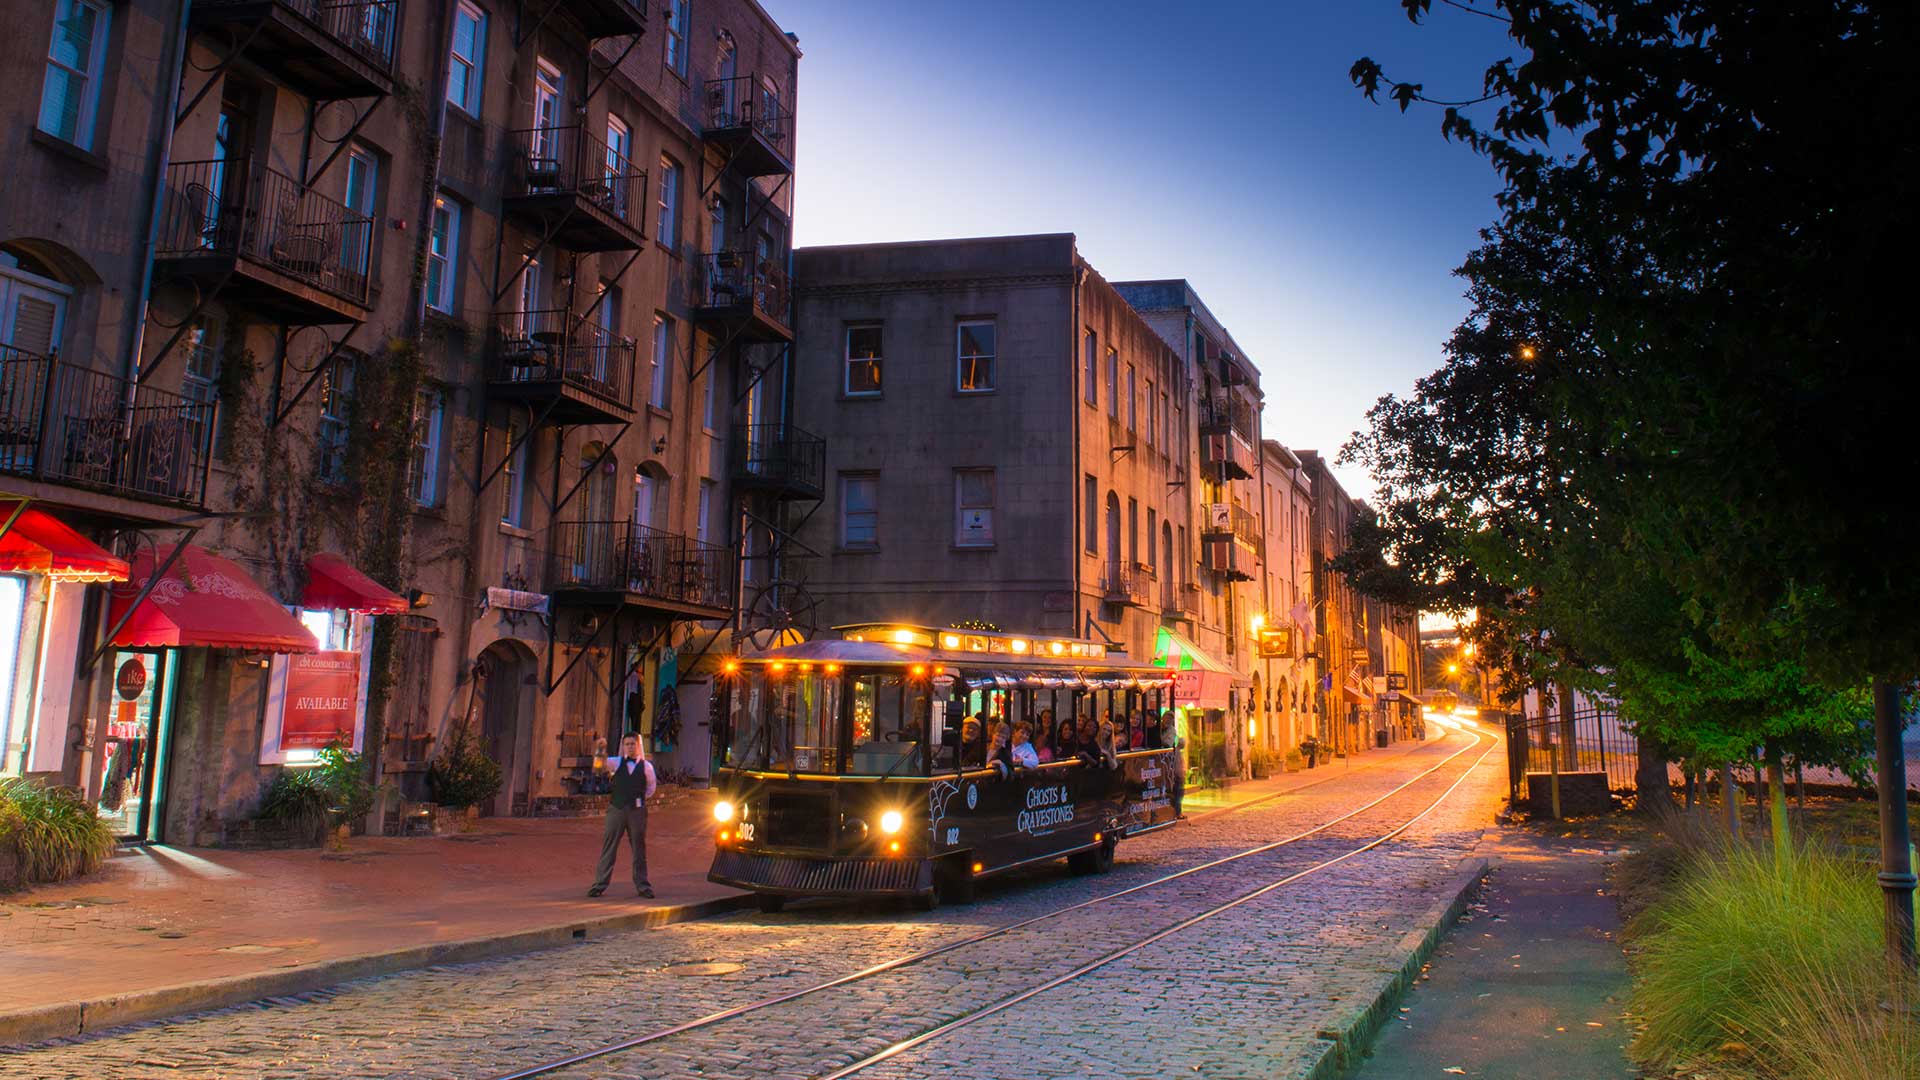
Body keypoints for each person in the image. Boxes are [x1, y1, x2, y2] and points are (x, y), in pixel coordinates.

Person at [589, 732, 656, 898]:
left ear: (639, 746)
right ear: (623, 746)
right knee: (609, 846)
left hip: (637, 811)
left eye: (633, 744)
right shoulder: (616, 762)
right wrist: (600, 751)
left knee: (639, 848)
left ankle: (643, 885)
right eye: (627, 744)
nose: (630, 747)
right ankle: (599, 884)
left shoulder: (647, 767)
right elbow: (598, 769)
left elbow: (650, 789)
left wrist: (637, 799)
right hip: (617, 809)